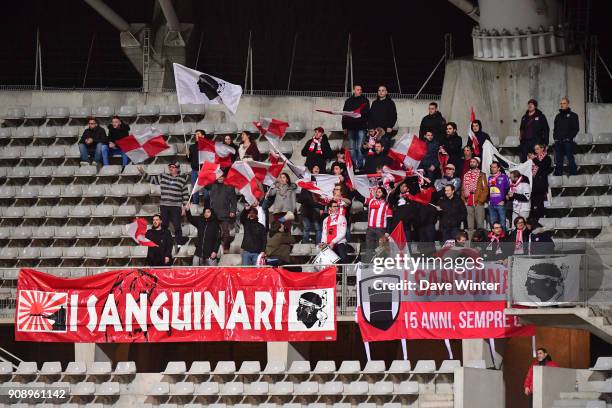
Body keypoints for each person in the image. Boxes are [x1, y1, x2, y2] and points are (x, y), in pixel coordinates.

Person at [138, 162, 189, 246]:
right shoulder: (163, 176)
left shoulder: (182, 179)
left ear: (177, 169)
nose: (171, 168)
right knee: (164, 225)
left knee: (177, 225)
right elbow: (152, 180)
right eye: (170, 167)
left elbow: (185, 194)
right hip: (164, 206)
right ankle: (162, 242)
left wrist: (184, 207)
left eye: (173, 167)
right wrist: (143, 173)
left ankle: (179, 243)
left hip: (176, 206)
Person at [208, 172, 238, 251]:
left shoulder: (229, 187)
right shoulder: (212, 185)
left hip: (225, 213)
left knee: (225, 232)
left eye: (222, 176)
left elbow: (234, 201)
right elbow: (204, 183)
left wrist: (233, 211)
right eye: (218, 176)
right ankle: (214, 249)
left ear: (224, 177)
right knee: (213, 232)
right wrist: (201, 174)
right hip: (214, 213)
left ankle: (226, 248)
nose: (220, 178)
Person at [342, 84, 370, 168]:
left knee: (360, 148)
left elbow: (367, 113)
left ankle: (360, 166)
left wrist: (359, 115)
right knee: (352, 148)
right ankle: (354, 166)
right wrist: (344, 127)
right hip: (350, 128)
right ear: (354, 90)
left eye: (360, 89)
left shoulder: (365, 100)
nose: (360, 91)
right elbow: (344, 114)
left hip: (361, 127)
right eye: (358, 89)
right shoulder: (348, 101)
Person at [462, 157, 488, 237]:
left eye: (474, 162)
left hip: (478, 201)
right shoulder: (466, 175)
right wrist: (464, 200)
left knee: (480, 225)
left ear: (477, 164)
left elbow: (485, 189)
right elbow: (463, 188)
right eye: (471, 162)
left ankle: (481, 244)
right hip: (468, 201)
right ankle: (470, 243)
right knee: (470, 225)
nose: (472, 163)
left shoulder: (481, 175)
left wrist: (480, 200)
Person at [553, 97, 579, 176]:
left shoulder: (573, 115)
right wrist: (555, 138)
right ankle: (558, 177)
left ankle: (574, 175)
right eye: (561, 103)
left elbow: (576, 129)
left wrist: (569, 138)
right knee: (558, 161)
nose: (562, 105)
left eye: (564, 103)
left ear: (568, 104)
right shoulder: (557, 116)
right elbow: (555, 129)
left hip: (568, 142)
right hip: (558, 142)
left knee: (570, 159)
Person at [365, 187, 391, 261]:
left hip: (381, 229)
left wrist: (387, 231)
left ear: (383, 193)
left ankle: (380, 263)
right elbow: (360, 198)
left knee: (380, 247)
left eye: (379, 192)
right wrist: (354, 190)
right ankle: (369, 262)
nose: (377, 193)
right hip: (370, 228)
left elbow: (389, 218)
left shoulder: (387, 204)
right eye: (377, 192)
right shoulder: (371, 201)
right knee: (369, 247)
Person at [297, 172, 324, 244]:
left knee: (318, 229)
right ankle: (305, 245)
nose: (313, 183)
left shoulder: (317, 189)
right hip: (306, 210)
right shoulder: (304, 189)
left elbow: (322, 199)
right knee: (306, 228)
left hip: (315, 211)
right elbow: (300, 200)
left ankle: (319, 245)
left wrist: (322, 208)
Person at [186, 129, 210, 206]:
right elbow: (189, 160)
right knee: (194, 189)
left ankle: (207, 205)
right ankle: (195, 204)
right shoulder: (192, 147)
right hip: (195, 170)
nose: (196, 136)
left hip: (205, 170)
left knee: (206, 189)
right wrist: (187, 155)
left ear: (203, 136)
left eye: (198, 134)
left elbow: (210, 159)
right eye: (196, 134)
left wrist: (203, 169)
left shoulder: (207, 146)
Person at [529, 143, 552, 221]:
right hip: (533, 184)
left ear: (542, 149)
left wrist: (534, 159)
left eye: (537, 149)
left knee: (539, 203)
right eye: (535, 149)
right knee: (532, 204)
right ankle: (533, 220)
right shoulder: (534, 158)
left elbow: (542, 167)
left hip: (541, 185)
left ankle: (540, 220)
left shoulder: (547, 158)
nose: (536, 151)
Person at [487, 161, 509, 230]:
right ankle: (494, 239)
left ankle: (503, 239)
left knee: (502, 223)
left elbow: (508, 189)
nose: (492, 169)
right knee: (493, 223)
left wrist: (504, 200)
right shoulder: (490, 177)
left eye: (494, 167)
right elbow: (489, 190)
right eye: (491, 167)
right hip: (491, 204)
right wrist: (488, 200)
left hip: (500, 204)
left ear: (499, 168)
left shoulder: (504, 177)